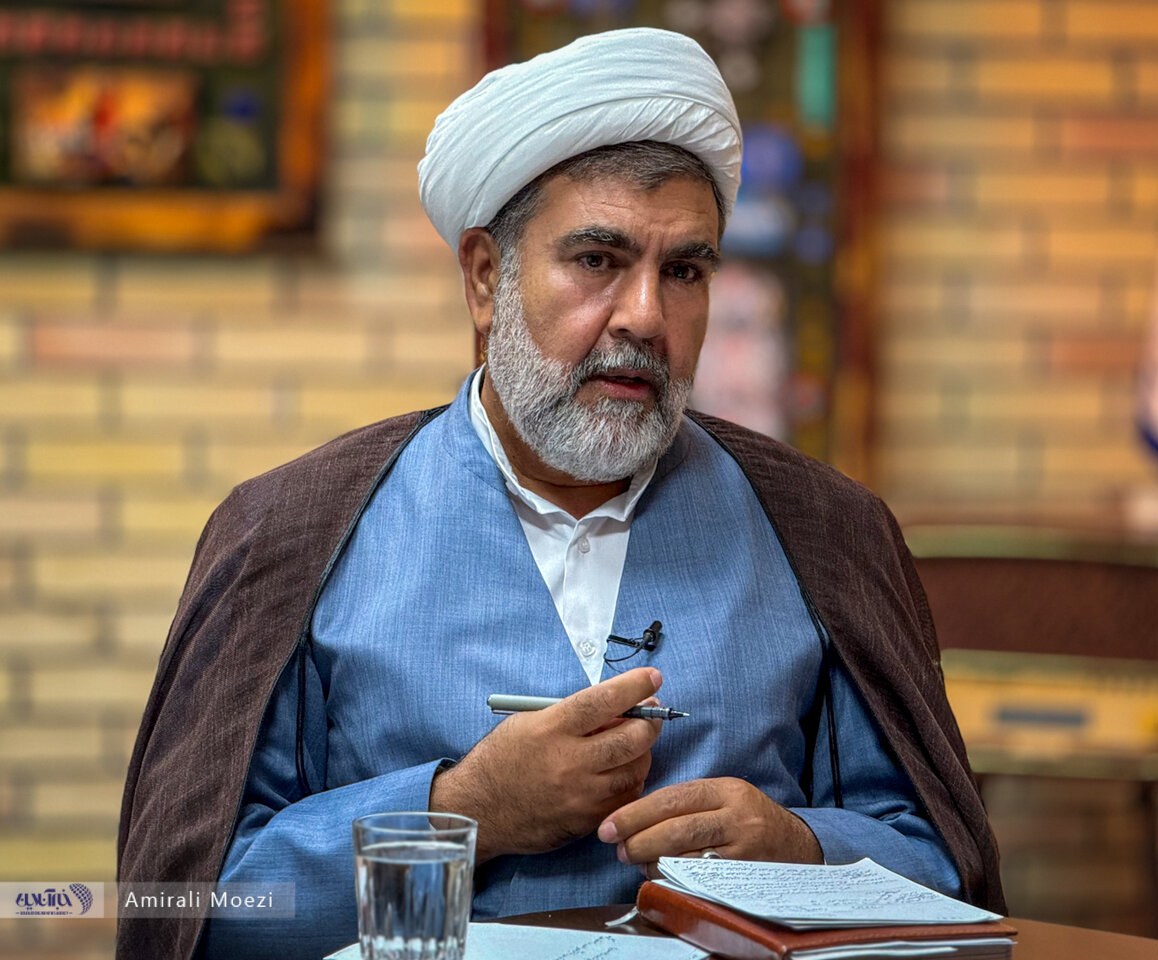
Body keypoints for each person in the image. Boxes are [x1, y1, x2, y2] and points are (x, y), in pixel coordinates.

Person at [116, 28, 1003, 960]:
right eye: (597, 261)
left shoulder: (826, 531)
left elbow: (944, 863)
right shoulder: (293, 532)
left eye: (684, 271)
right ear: (485, 279)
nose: (645, 317)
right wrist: (461, 812)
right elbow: (187, 908)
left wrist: (803, 851)